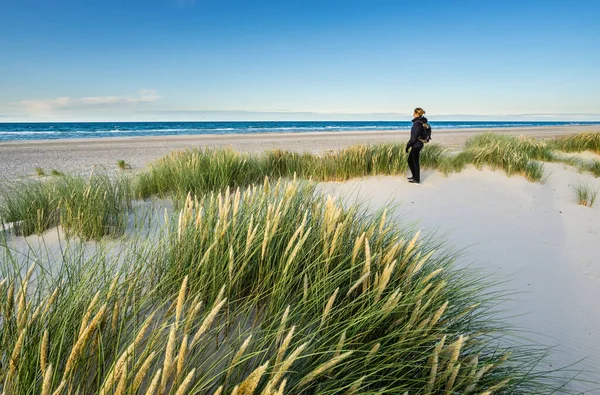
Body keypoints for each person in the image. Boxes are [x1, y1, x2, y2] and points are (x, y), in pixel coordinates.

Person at [405, 107, 428, 184]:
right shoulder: (421, 122)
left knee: (414, 161)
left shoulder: (417, 123)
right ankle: (414, 176)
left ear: (417, 114)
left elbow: (413, 137)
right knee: (411, 160)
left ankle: (417, 179)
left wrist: (408, 145)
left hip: (416, 145)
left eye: (414, 113)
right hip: (418, 144)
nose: (413, 114)